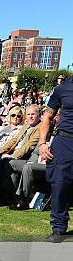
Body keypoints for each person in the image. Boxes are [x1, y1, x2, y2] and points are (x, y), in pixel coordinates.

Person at [38, 75, 73, 243]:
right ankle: (58, 228)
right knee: (59, 185)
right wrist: (42, 143)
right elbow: (47, 117)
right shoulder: (62, 88)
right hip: (64, 141)